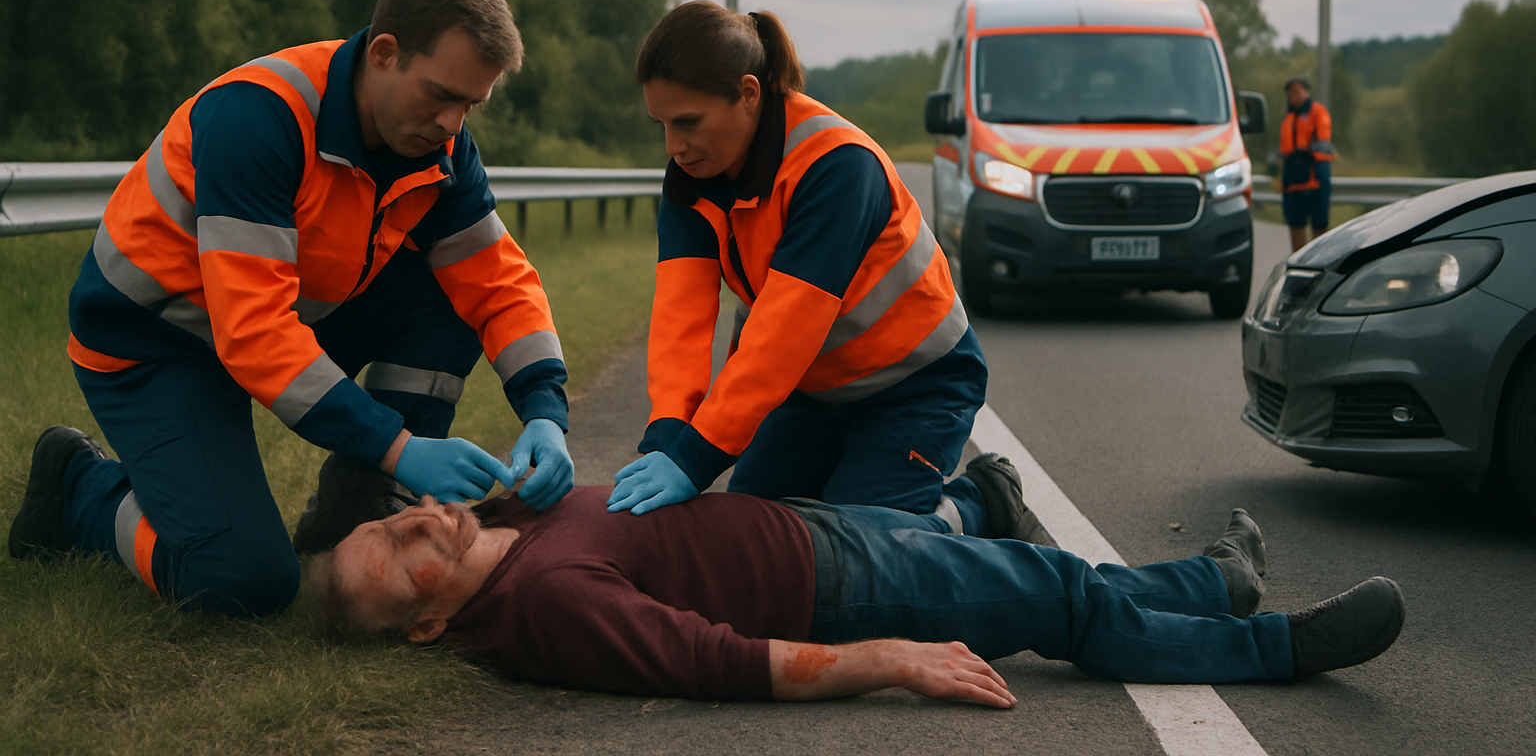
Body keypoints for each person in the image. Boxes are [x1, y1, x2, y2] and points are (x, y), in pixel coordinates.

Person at [6, 0, 575, 616]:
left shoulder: (437, 147)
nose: (453, 124)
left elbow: (497, 280)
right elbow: (255, 332)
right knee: (239, 580)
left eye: (470, 105)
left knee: (449, 285)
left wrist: (544, 410)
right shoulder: (258, 117)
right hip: (154, 343)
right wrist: (400, 447)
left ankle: (360, 502)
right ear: (385, 53)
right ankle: (79, 488)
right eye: (441, 95)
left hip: (285, 315)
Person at [306, 482, 1407, 704]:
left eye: (385, 520)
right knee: (1057, 602)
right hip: (839, 589)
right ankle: (1277, 649)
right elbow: (709, 660)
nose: (412, 522)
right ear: (428, 624)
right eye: (397, 555)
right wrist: (881, 659)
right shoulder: (547, 600)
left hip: (816, 530)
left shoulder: (506, 522)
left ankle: (1212, 582)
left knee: (1041, 580)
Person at [609, 0, 1011, 543]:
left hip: (914, 383)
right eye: (661, 124)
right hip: (810, 390)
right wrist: (667, 439)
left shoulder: (837, 165)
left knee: (858, 549)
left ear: (748, 94)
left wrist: (695, 459)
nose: (673, 147)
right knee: (753, 541)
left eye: (688, 122)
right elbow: (681, 320)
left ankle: (974, 506)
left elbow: (783, 332)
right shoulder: (692, 176)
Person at [1277, 76, 1334, 253]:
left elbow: (1323, 142)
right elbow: (1284, 148)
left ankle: (1319, 260)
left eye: (1297, 91)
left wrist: (1305, 150)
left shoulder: (1317, 111)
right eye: (1290, 93)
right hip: (1292, 177)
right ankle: (1298, 260)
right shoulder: (1287, 116)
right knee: (1295, 223)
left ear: (1306, 91)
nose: (1293, 96)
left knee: (1319, 224)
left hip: (1315, 176)